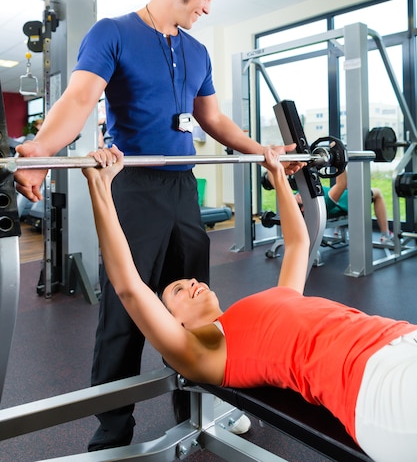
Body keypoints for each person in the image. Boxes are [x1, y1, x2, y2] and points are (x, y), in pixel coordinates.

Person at [13, 0, 303, 451]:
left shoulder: (197, 50)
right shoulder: (114, 34)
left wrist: (265, 151)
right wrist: (39, 149)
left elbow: (212, 120)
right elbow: (81, 97)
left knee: (195, 309)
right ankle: (112, 430)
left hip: (182, 188)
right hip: (136, 189)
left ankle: (200, 407)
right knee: (125, 310)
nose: (208, 8)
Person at [82, 144, 417, 462]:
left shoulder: (273, 300)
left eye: (187, 280)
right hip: (369, 381)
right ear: (176, 324)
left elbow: (298, 243)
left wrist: (277, 177)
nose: (193, 282)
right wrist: (101, 187)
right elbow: (128, 286)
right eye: (179, 291)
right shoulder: (204, 352)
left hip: (396, 337)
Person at [292, 170, 393, 244]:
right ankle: (386, 235)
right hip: (348, 200)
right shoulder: (324, 202)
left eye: (294, 197)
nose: (296, 196)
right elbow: (342, 184)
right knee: (378, 193)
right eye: (298, 200)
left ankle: (339, 228)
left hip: (341, 194)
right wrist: (339, 161)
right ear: (303, 209)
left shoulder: (302, 193)